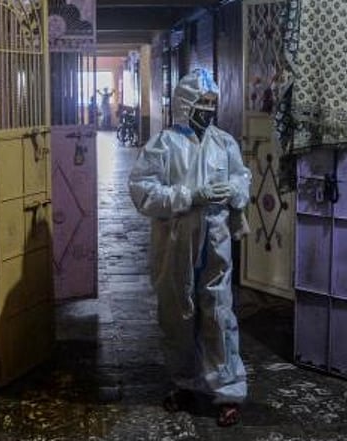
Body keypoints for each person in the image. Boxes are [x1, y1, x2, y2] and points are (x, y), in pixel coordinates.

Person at [128, 68, 251, 427]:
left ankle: (228, 390)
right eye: (203, 102)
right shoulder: (163, 144)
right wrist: (188, 196)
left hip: (215, 239)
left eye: (213, 103)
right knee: (177, 312)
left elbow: (241, 177)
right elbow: (142, 191)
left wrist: (236, 192)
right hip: (176, 242)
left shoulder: (224, 143)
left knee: (218, 310)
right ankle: (183, 382)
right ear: (186, 103)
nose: (209, 109)